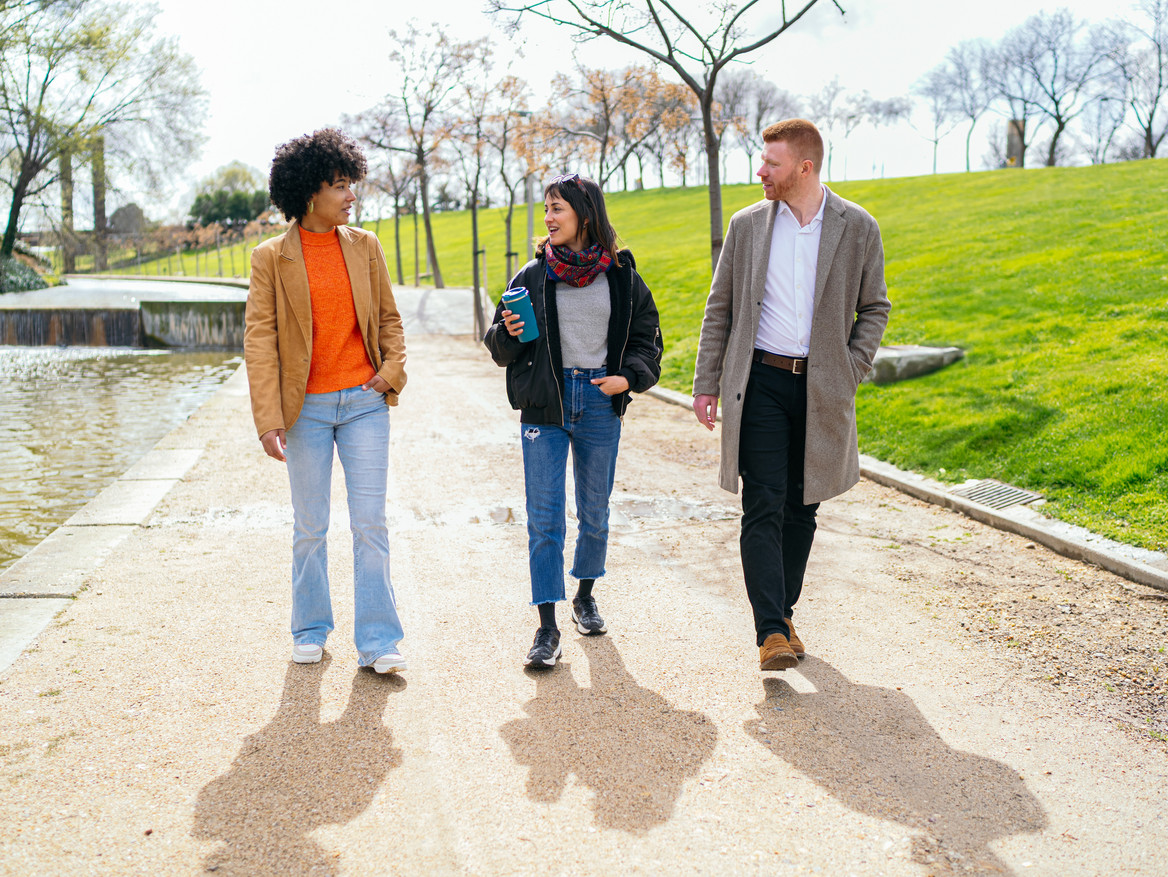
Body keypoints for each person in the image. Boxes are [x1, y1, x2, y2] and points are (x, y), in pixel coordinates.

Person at [691, 119, 890, 672]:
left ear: (804, 167)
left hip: (824, 386)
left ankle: (783, 610)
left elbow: (875, 306)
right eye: (762, 161)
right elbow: (720, 308)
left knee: (804, 506)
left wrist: (852, 366)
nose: (761, 172)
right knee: (763, 503)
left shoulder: (858, 227)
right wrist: (707, 381)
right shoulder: (748, 225)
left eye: (771, 164)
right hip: (759, 381)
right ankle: (771, 632)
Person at [243, 128, 408, 674]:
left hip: (363, 403)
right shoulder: (270, 258)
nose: (351, 195)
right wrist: (268, 419)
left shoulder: (366, 247)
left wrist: (390, 373)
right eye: (341, 185)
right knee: (310, 527)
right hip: (306, 411)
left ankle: (379, 642)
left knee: (370, 524)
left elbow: (388, 318)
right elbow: (260, 343)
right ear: (311, 191)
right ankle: (310, 628)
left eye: (351, 184)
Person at [485, 173, 662, 669]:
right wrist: (511, 332)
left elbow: (649, 336)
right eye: (546, 209)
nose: (549, 217)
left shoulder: (622, 276)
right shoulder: (532, 277)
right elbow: (497, 347)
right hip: (546, 403)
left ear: (585, 214)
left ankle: (585, 594)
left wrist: (627, 378)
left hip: (600, 402)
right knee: (544, 520)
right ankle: (546, 627)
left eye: (557, 208)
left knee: (595, 512)